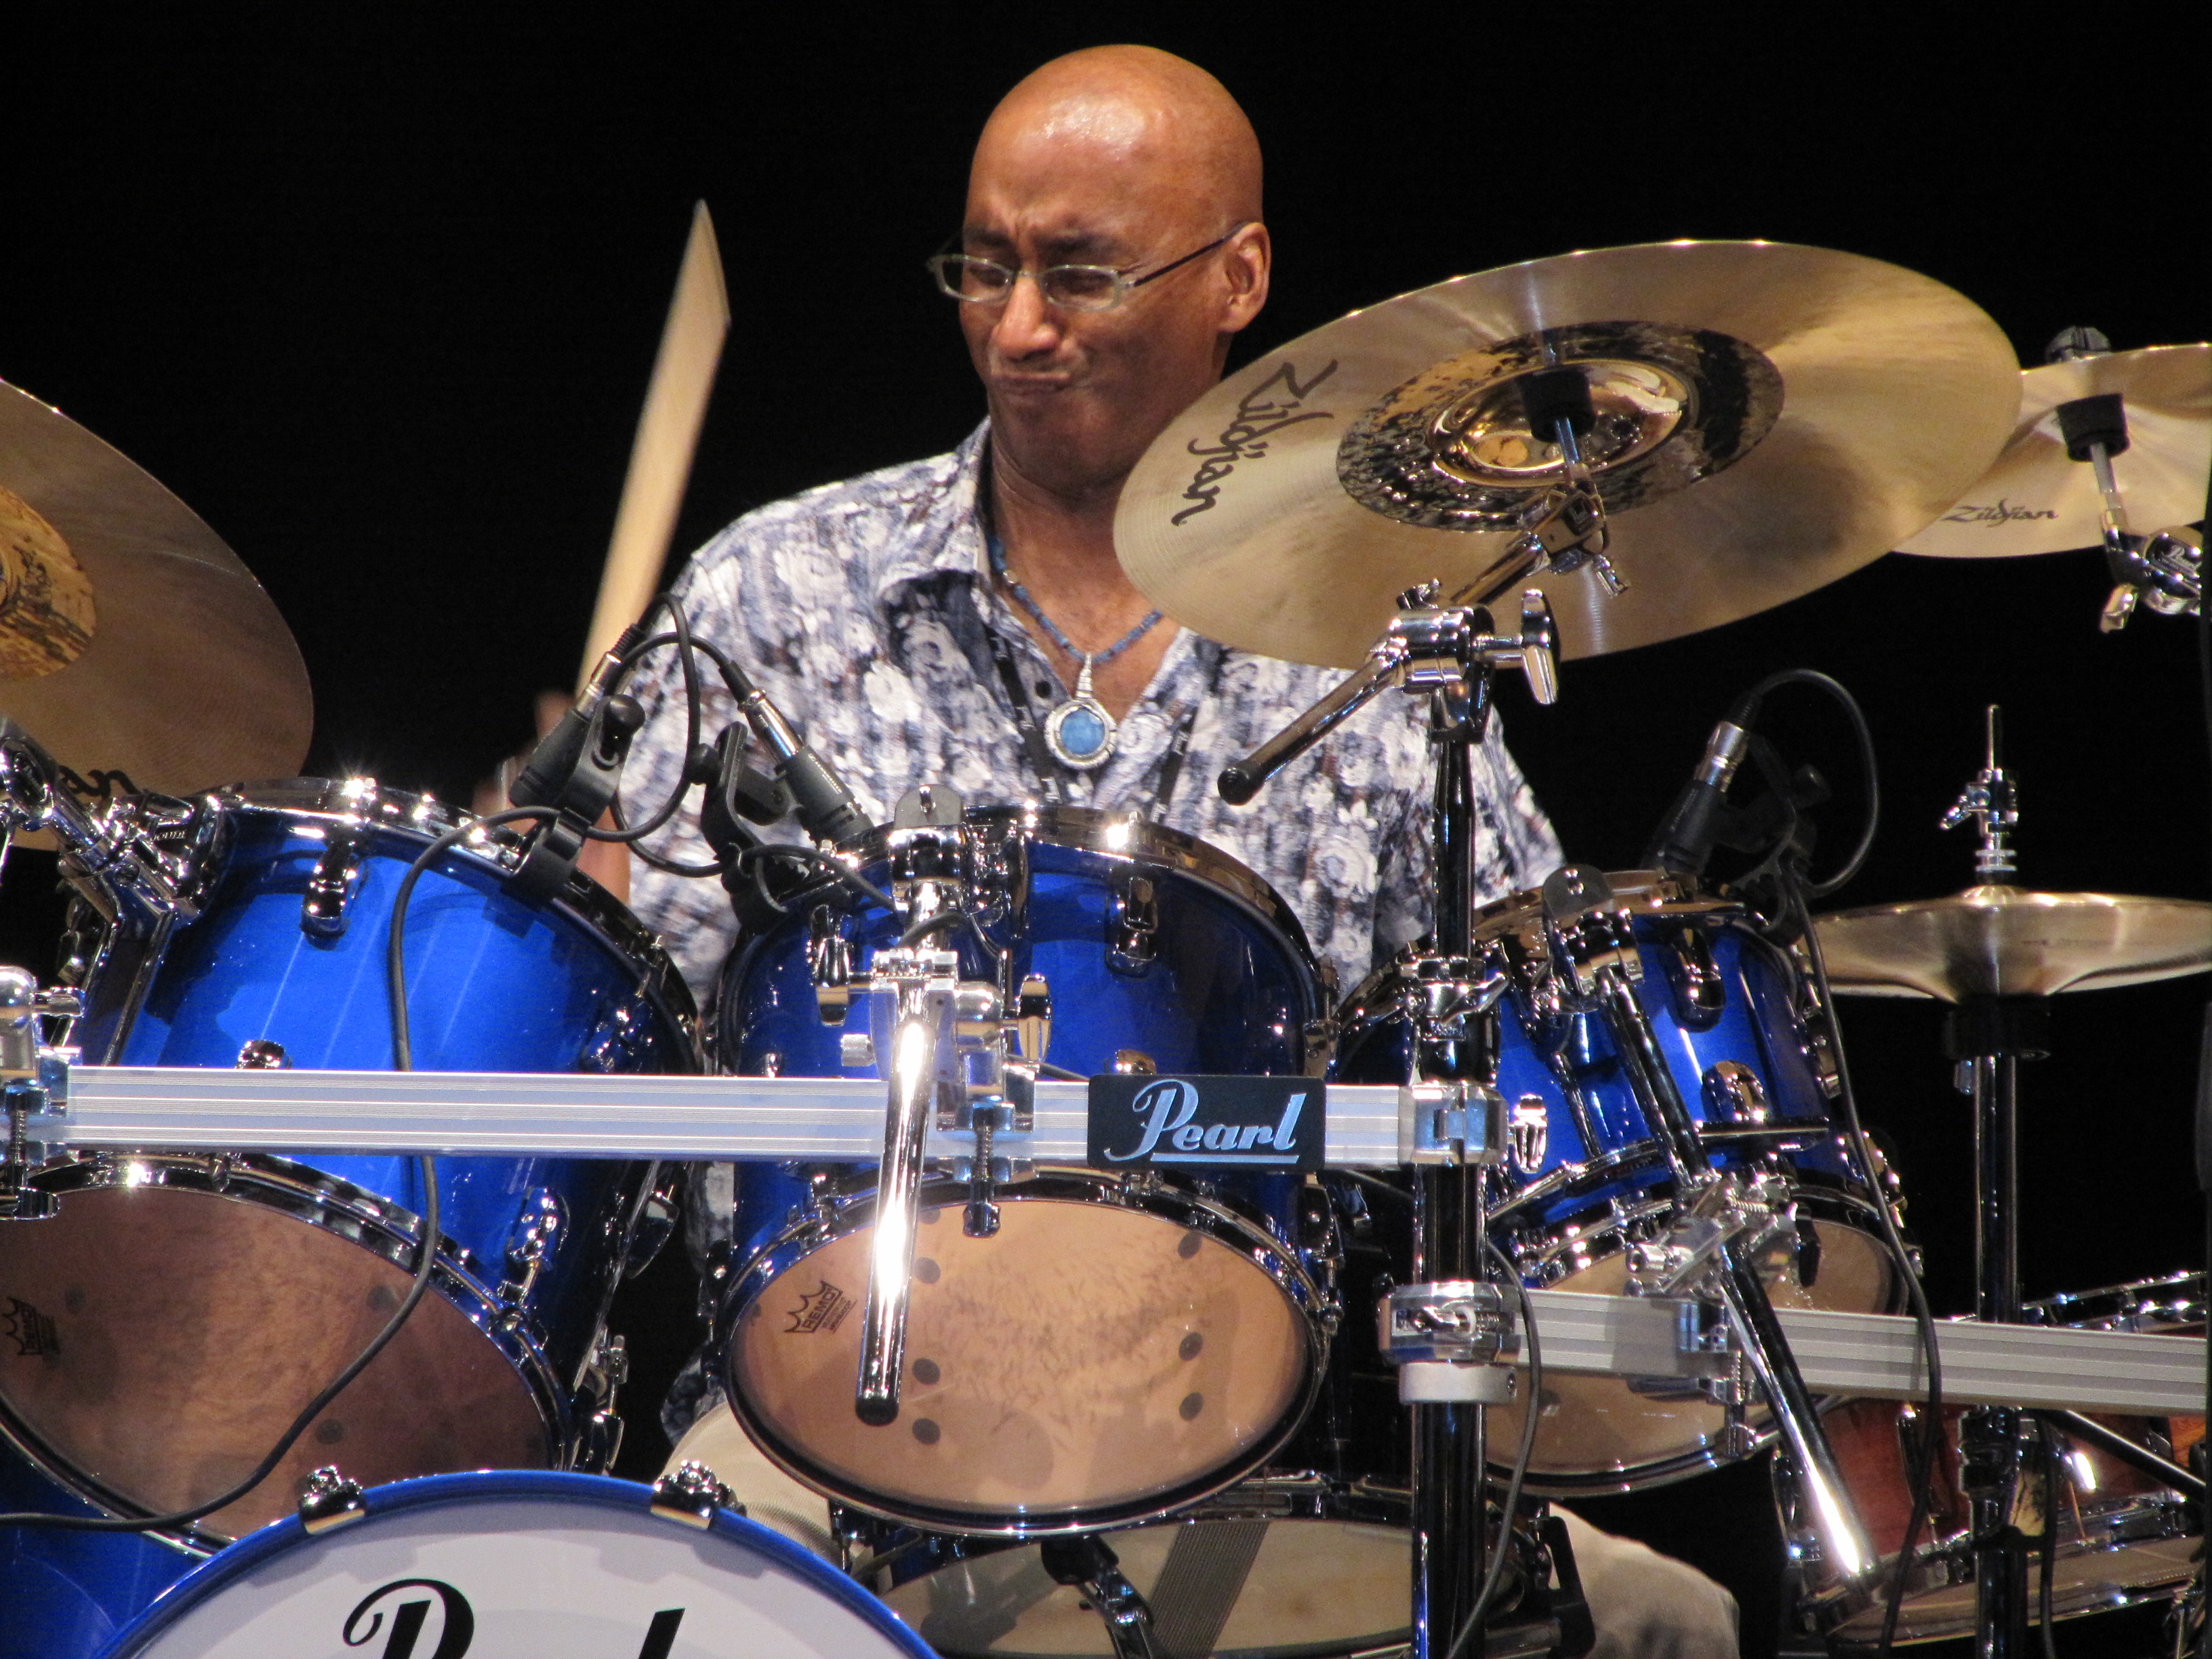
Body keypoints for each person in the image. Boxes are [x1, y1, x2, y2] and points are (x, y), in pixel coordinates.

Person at [616, 44, 1736, 1659]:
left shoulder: (1381, 640)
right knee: (667, 1606)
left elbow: (1515, 1040)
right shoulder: (772, 596)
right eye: (982, 266)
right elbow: (636, 1042)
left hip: (1275, 1425)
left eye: (1080, 274)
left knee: (1669, 1623)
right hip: (842, 1404)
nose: (1017, 326)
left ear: (1238, 279)